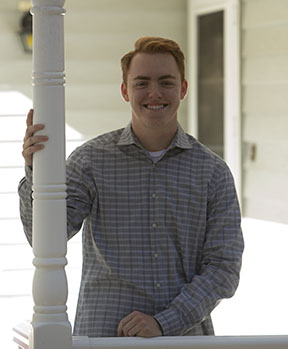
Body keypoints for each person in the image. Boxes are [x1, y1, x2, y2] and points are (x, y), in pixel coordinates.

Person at [19, 37, 244, 338]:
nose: (154, 93)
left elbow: (224, 268)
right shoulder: (90, 161)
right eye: (142, 83)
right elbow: (44, 237)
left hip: (183, 342)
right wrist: (36, 170)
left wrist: (165, 322)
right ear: (125, 90)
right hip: (103, 340)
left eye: (166, 82)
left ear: (183, 89)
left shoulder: (213, 173)